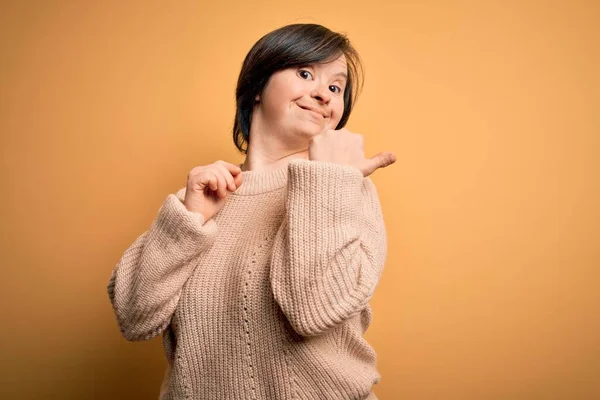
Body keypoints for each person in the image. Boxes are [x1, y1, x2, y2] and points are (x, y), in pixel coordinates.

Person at [107, 23, 396, 400]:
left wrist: (328, 180)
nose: (324, 94)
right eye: (305, 73)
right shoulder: (206, 197)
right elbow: (134, 316)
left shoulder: (346, 190)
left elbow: (314, 310)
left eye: (336, 87)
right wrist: (188, 219)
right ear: (258, 86)